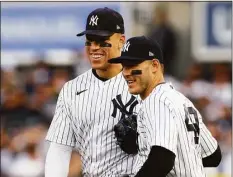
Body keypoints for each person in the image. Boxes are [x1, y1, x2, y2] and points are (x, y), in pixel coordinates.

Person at [45, 7, 140, 177]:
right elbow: (59, 149)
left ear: (121, 41)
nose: (94, 48)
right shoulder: (72, 89)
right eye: (89, 41)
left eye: (102, 41)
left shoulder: (143, 84)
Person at [108, 36, 222, 177]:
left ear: (155, 66)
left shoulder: (157, 101)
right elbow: (213, 156)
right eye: (124, 66)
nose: (125, 72)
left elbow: (162, 159)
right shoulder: (183, 101)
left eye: (132, 65)